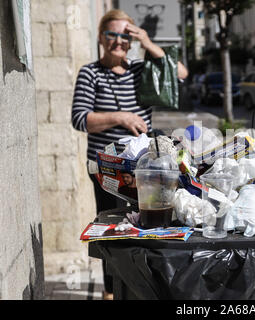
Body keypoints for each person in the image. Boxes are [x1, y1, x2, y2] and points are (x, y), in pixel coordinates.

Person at [71, 9, 188, 300]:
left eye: (125, 35)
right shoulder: (90, 72)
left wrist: (147, 43)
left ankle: (144, 288)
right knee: (112, 227)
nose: (118, 41)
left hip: (144, 169)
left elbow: (181, 73)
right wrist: (121, 117)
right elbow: (80, 119)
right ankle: (112, 292)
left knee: (148, 226)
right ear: (101, 37)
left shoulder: (140, 69)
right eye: (111, 35)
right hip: (107, 170)